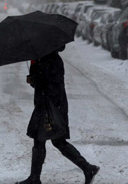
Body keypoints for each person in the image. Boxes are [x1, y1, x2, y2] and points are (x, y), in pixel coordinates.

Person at [17, 46, 99, 184]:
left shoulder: (49, 61)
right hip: (50, 105)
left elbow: (45, 83)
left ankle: (35, 178)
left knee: (48, 140)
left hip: (49, 106)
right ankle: (86, 168)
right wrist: (34, 71)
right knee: (49, 141)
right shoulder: (47, 59)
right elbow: (41, 83)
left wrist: (35, 73)